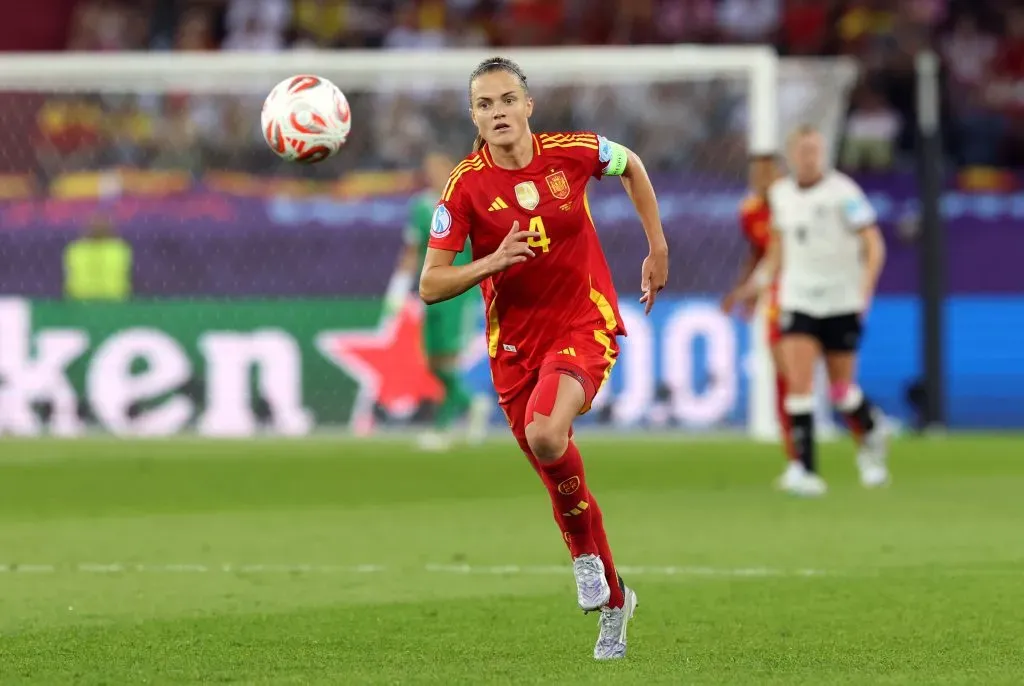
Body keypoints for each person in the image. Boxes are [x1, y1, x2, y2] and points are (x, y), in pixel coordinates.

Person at [418, 57, 669, 659]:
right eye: (485, 105)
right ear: (474, 118)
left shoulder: (574, 152)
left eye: (508, 99)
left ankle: (584, 560)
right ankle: (612, 596)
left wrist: (656, 247)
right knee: (549, 460)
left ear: (529, 105)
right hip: (513, 346)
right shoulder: (464, 187)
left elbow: (630, 163)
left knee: (548, 435)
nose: (498, 112)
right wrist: (491, 261)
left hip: (584, 319)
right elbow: (431, 283)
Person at [734, 125, 889, 496]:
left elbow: (874, 245)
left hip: (840, 301)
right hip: (798, 299)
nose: (810, 157)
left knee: (840, 390)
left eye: (815, 150)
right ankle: (805, 470)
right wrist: (754, 287)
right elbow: (777, 249)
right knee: (799, 383)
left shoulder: (844, 193)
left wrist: (864, 292)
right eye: (803, 151)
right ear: (792, 155)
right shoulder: (781, 195)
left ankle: (871, 433)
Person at [384, 150, 492, 451]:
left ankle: (445, 428)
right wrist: (397, 290)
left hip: (458, 292)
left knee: (449, 360)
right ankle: (473, 403)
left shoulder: (467, 203)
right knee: (433, 363)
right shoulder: (420, 206)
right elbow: (411, 250)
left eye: (438, 167)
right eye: (428, 168)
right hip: (430, 293)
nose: (432, 173)